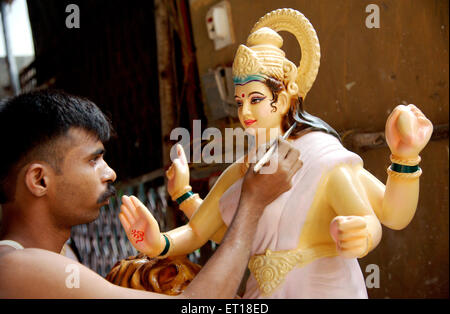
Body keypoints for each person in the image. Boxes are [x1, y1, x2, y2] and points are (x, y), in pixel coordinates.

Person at [121, 9, 433, 298]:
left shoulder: (321, 158)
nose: (244, 111)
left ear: (282, 99)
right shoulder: (243, 170)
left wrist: (401, 165)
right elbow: (198, 231)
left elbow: (385, 217)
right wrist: (157, 242)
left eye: (255, 99)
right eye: (239, 101)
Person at [0, 90, 302, 298]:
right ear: (39, 180)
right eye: (93, 160)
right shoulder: (15, 268)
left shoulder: (47, 260)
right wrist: (252, 202)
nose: (110, 173)